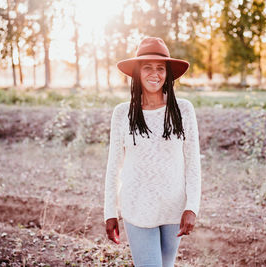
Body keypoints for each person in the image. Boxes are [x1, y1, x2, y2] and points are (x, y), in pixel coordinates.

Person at [103, 37, 201, 267]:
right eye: (147, 67)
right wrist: (110, 211)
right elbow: (113, 167)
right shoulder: (122, 113)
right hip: (137, 208)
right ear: (137, 73)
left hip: (173, 208)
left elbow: (193, 164)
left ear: (167, 74)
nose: (154, 74)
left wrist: (192, 207)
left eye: (160, 68)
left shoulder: (183, 110)